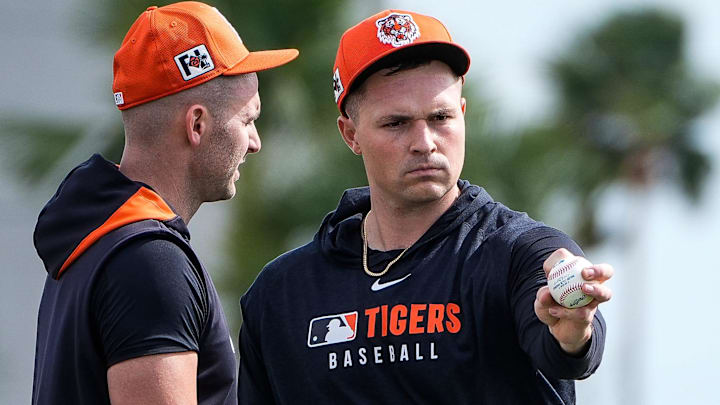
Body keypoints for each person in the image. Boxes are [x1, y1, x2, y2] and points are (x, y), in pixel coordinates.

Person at [238, 9, 612, 404]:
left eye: (441, 117)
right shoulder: (281, 294)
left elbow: (566, 351)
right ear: (351, 134)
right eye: (396, 124)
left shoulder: (519, 253)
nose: (425, 142)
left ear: (462, 115)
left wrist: (574, 329)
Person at [31, 2, 297, 404]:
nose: (255, 142)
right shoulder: (150, 262)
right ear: (197, 125)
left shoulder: (95, 243)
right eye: (247, 121)